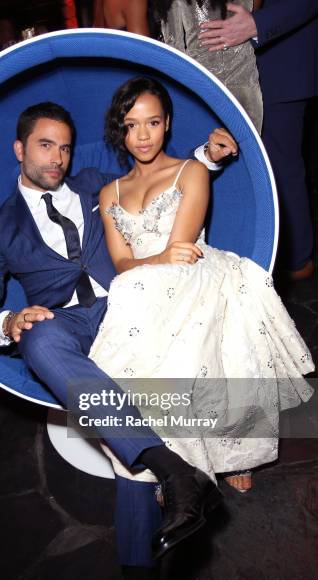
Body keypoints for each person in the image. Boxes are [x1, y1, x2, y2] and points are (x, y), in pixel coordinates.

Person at [0, 101, 238, 580]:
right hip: (64, 322)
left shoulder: (93, 183)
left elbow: (152, 177)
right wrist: (7, 320)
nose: (58, 158)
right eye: (46, 145)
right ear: (19, 149)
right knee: (38, 339)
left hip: (129, 305)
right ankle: (171, 466)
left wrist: (208, 156)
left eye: (65, 147)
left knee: (122, 444)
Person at [88, 75, 314, 515]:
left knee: (171, 309)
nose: (143, 135)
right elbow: (121, 263)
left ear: (167, 123)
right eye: (131, 125)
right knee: (131, 292)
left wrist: (152, 264)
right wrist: (150, 264)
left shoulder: (191, 171)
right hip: (144, 278)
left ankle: (231, 451)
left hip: (194, 268)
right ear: (120, 130)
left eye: (152, 122)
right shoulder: (108, 192)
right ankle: (178, 462)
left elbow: (182, 245)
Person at [197, 0, 318, 278]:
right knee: (219, 154)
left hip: (277, 60)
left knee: (278, 163)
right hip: (217, 60)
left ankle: (295, 259)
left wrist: (257, 24)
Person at [157, 0, 263, 133]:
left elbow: (252, 18)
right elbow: (173, 49)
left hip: (245, 83)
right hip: (203, 87)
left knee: (250, 149)